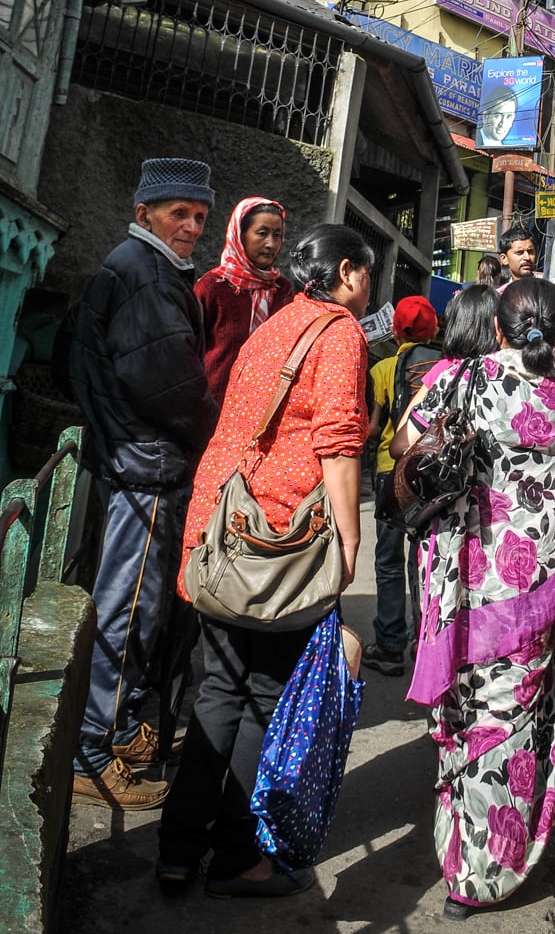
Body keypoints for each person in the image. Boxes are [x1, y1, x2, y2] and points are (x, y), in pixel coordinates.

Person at [157, 224, 372, 897]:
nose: (369, 288)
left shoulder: (274, 325)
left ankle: (176, 851)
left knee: (218, 690)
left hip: (222, 530)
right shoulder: (339, 332)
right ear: (346, 271)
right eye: (367, 273)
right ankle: (235, 856)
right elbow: (338, 440)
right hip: (277, 543)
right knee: (265, 698)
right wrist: (348, 537)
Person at [394, 278, 555, 917]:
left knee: (465, 716)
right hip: (529, 596)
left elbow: (406, 451)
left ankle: (464, 861)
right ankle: (496, 862)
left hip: (463, 586)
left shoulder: (457, 383)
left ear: (495, 328)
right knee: (512, 719)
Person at [70, 157, 220, 809]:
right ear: (145, 215)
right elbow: (170, 385)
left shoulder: (140, 270)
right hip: (147, 465)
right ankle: (92, 751)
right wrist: (218, 431)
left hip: (135, 458)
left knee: (140, 602)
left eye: (198, 217)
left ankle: (122, 727)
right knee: (131, 606)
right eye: (177, 214)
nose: (189, 226)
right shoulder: (144, 274)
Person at [364, 295, 442, 677]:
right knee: (427, 559)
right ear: (435, 330)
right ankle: (427, 641)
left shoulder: (382, 369)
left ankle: (391, 645)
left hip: (388, 472)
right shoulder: (443, 367)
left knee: (388, 560)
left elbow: (374, 429)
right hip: (430, 474)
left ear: (395, 331)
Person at [195, 197, 294, 407]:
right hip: (210, 409)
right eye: (262, 233)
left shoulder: (283, 291)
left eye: (278, 236)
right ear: (240, 235)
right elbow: (188, 353)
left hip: (261, 409)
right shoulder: (212, 287)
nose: (271, 244)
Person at [497, 228, 555, 378]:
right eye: (519, 252)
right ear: (504, 258)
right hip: (504, 380)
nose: (527, 257)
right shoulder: (498, 297)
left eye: (531, 251)